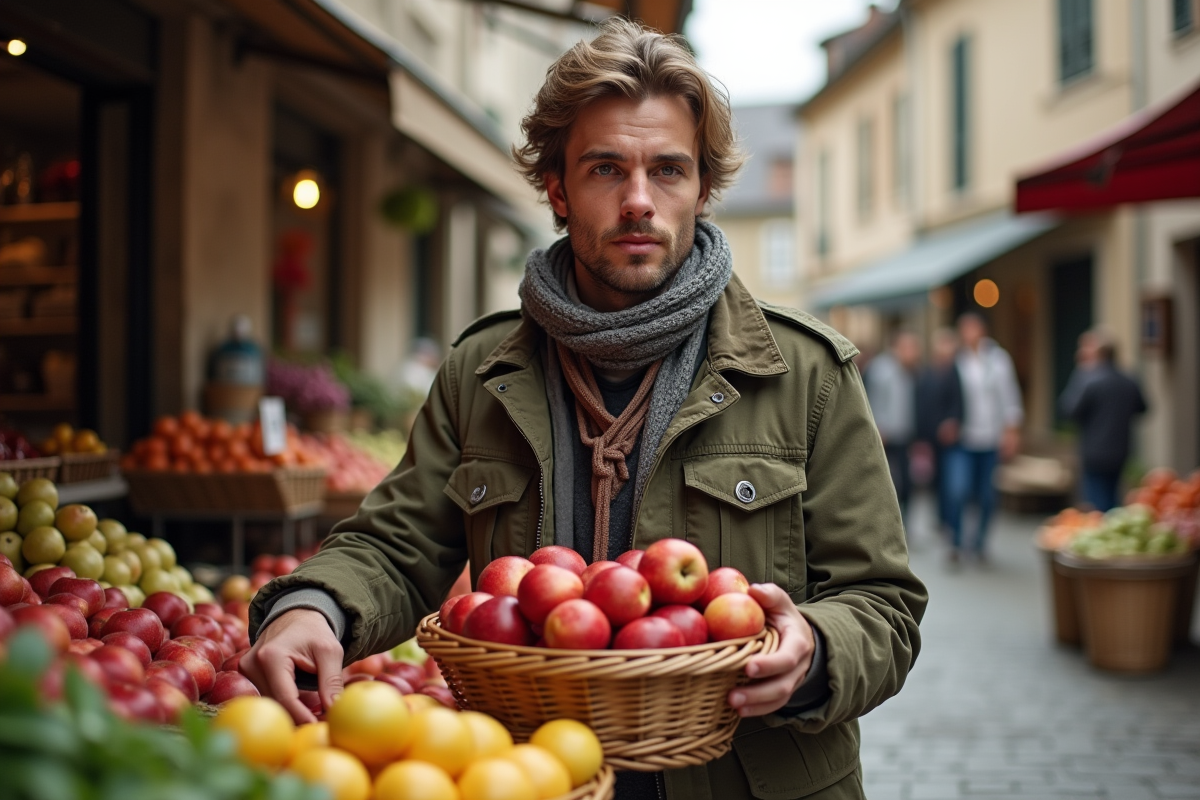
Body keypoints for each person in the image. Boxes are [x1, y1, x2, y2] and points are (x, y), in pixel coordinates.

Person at [242, 20, 926, 800]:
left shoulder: (805, 373)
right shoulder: (482, 370)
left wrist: (817, 649)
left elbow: (884, 603)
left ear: (703, 188)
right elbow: (398, 545)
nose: (640, 200)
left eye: (668, 170)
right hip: (533, 776)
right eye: (607, 169)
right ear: (559, 188)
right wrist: (315, 606)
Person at [945, 313, 1023, 563]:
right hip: (963, 439)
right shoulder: (956, 360)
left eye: (973, 327)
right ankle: (956, 542)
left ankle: (979, 543)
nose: (969, 333)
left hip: (990, 438)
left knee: (987, 495)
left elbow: (1010, 397)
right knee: (958, 490)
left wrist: (1011, 432)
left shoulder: (998, 359)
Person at [1059, 326, 1147, 511]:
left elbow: (1069, 410)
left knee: (1096, 502)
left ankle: (1105, 533)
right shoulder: (1128, 379)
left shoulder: (1089, 380)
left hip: (1094, 451)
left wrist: (1080, 375)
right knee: (1113, 496)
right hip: (1121, 449)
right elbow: (1143, 408)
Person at [865, 331, 921, 519]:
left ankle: (902, 522)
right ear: (898, 347)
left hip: (904, 435)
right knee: (884, 481)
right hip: (885, 436)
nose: (914, 352)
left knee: (906, 483)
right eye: (910, 347)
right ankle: (883, 521)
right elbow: (873, 399)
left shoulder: (909, 370)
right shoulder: (881, 369)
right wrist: (879, 427)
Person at [914, 328, 964, 537]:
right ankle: (941, 518)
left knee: (950, 482)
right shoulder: (927, 374)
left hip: (951, 439)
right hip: (930, 437)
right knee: (935, 481)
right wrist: (921, 437)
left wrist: (953, 423)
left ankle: (948, 520)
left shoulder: (956, 373)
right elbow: (921, 406)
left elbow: (959, 404)